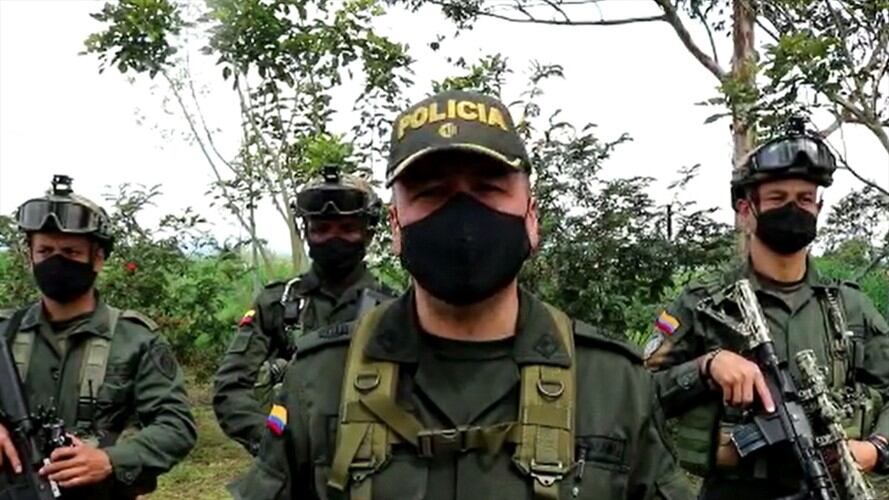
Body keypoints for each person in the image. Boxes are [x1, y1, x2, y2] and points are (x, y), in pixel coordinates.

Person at [232, 90, 692, 500]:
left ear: (531, 217)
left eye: (488, 188)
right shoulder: (320, 377)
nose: (463, 214)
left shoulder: (612, 383)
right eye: (432, 193)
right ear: (395, 228)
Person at [644, 119, 889, 499]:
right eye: (777, 199)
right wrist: (706, 367)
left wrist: (876, 448)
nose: (794, 209)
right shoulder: (704, 302)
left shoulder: (850, 306)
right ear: (746, 209)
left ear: (819, 207)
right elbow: (636, 390)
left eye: (805, 199)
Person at [0, 175, 196, 500]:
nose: (56, 261)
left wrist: (110, 460)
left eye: (71, 252)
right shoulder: (5, 332)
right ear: (28, 257)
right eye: (45, 250)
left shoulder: (135, 339)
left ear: (98, 259)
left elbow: (175, 425)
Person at [213, 166, 393, 456]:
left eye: (347, 229)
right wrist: (272, 446)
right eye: (322, 229)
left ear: (368, 233)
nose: (334, 239)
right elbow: (231, 387)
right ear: (306, 232)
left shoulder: (393, 310)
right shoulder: (278, 303)